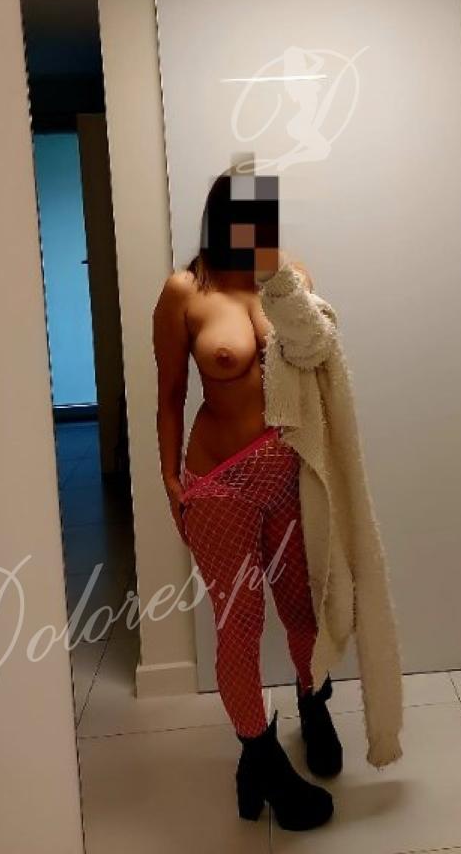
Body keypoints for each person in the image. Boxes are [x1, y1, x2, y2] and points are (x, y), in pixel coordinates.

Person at [153, 167, 341, 831]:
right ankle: (263, 759)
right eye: (244, 219)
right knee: (239, 624)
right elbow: (170, 393)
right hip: (219, 483)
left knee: (303, 608)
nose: (257, 232)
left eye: (265, 219)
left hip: (289, 473)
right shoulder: (185, 291)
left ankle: (312, 706)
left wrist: (279, 277)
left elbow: (318, 352)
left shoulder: (287, 278)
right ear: (219, 220)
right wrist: (169, 480)